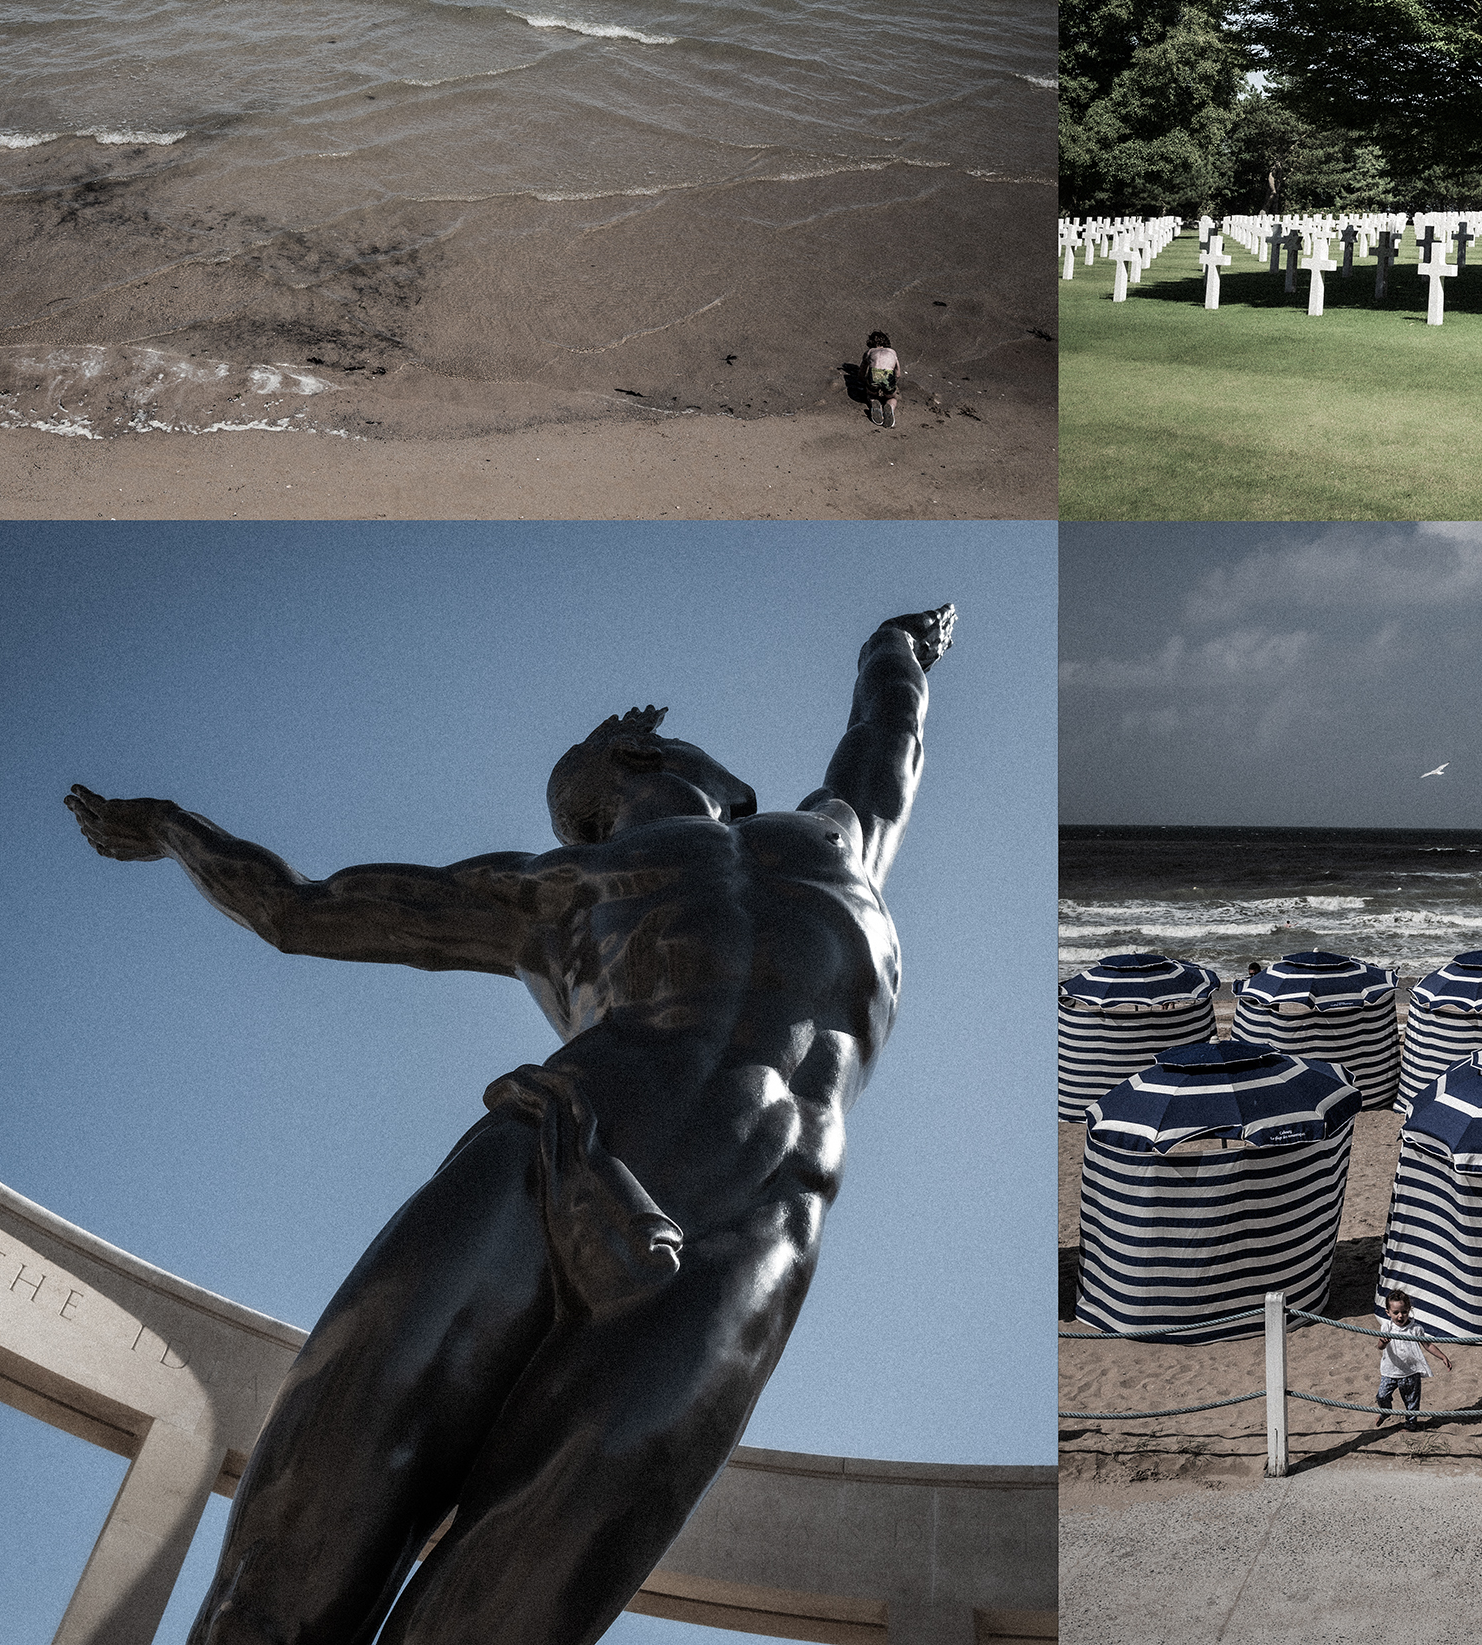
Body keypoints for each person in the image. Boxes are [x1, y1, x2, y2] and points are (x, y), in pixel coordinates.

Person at [62, 606, 957, 1645]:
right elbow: (300, 911)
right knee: (280, 1589)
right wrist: (172, 827)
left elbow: (888, 733)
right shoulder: (561, 887)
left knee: (497, 1625)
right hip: (555, 1158)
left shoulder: (806, 841)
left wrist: (893, 647)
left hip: (730, 1247)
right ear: (640, 754)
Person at [1375, 1289, 1451, 1426]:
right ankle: (1385, 1411)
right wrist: (1383, 1341)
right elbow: (1380, 1347)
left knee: (1411, 1400)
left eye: (1404, 1312)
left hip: (1410, 1371)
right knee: (1382, 1395)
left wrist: (1442, 1357)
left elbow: (1427, 1345)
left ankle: (1410, 1425)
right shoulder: (1386, 1327)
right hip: (1390, 1370)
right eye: (1396, 1312)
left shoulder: (1415, 1329)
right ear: (1388, 1312)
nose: (1400, 1316)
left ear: (1409, 1310)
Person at [861, 331, 899, 426]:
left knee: (872, 395)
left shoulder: (870, 352)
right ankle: (890, 406)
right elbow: (898, 374)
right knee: (892, 397)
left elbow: (862, 369)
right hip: (888, 375)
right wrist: (894, 383)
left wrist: (862, 380)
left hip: (874, 375)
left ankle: (875, 403)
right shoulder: (892, 352)